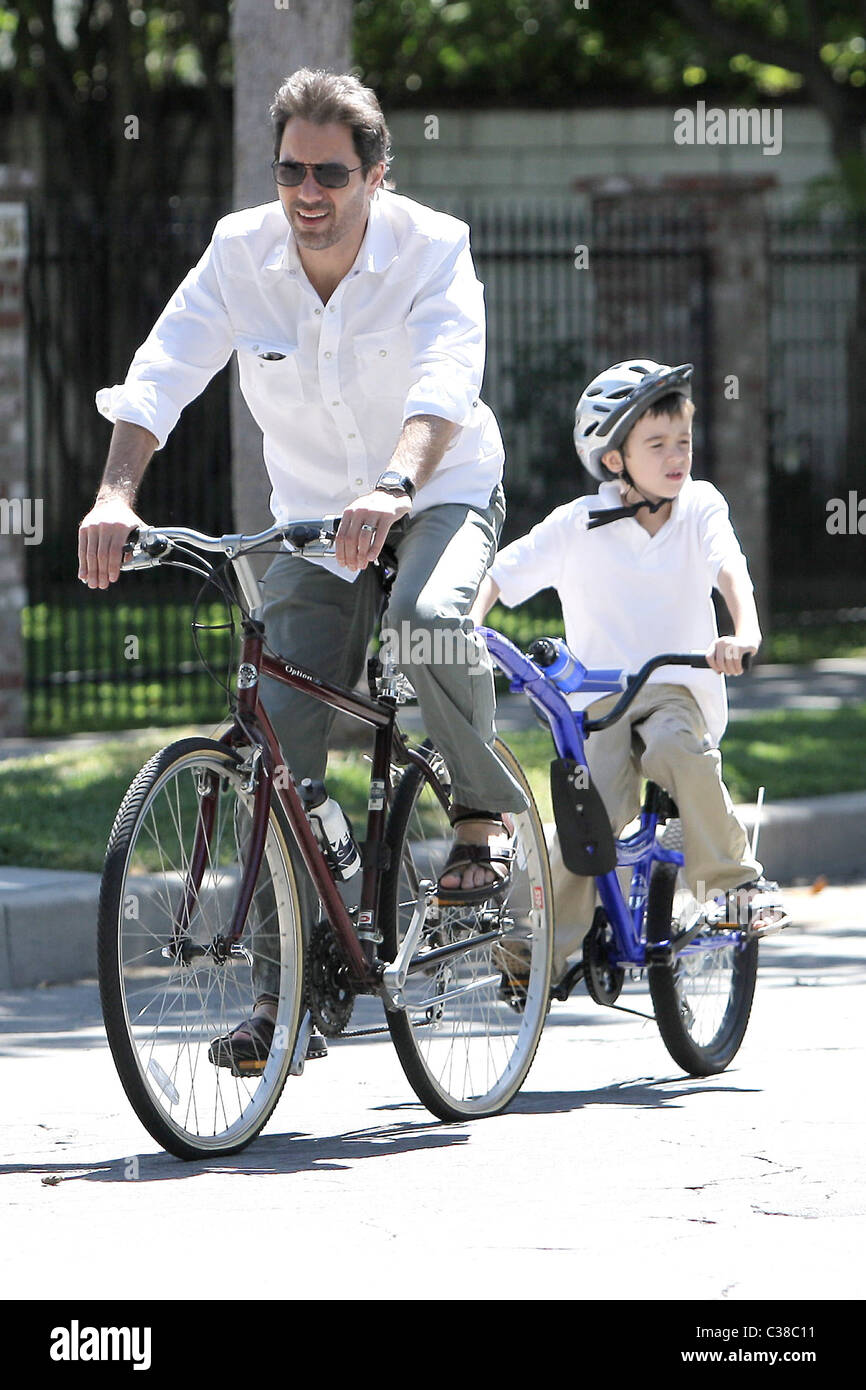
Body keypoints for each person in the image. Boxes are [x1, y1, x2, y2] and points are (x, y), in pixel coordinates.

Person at [77, 68, 528, 1067]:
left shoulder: (430, 248)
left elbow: (445, 378)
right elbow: (164, 367)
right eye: (290, 170)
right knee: (276, 743)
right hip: (314, 524)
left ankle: (481, 813)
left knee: (424, 618)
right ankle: (285, 1001)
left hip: (436, 484)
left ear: (377, 174)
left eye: (331, 170)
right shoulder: (242, 252)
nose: (307, 191)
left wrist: (396, 484)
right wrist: (116, 494)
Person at [470, 359, 782, 992]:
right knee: (588, 819)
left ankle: (734, 888)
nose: (677, 457)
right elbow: (500, 575)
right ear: (614, 460)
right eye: (657, 444)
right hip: (600, 701)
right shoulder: (576, 523)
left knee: (676, 748)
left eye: (684, 442)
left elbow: (730, 570)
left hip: (675, 689)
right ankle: (537, 948)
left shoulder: (699, 507)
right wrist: (468, 627)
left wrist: (742, 631)